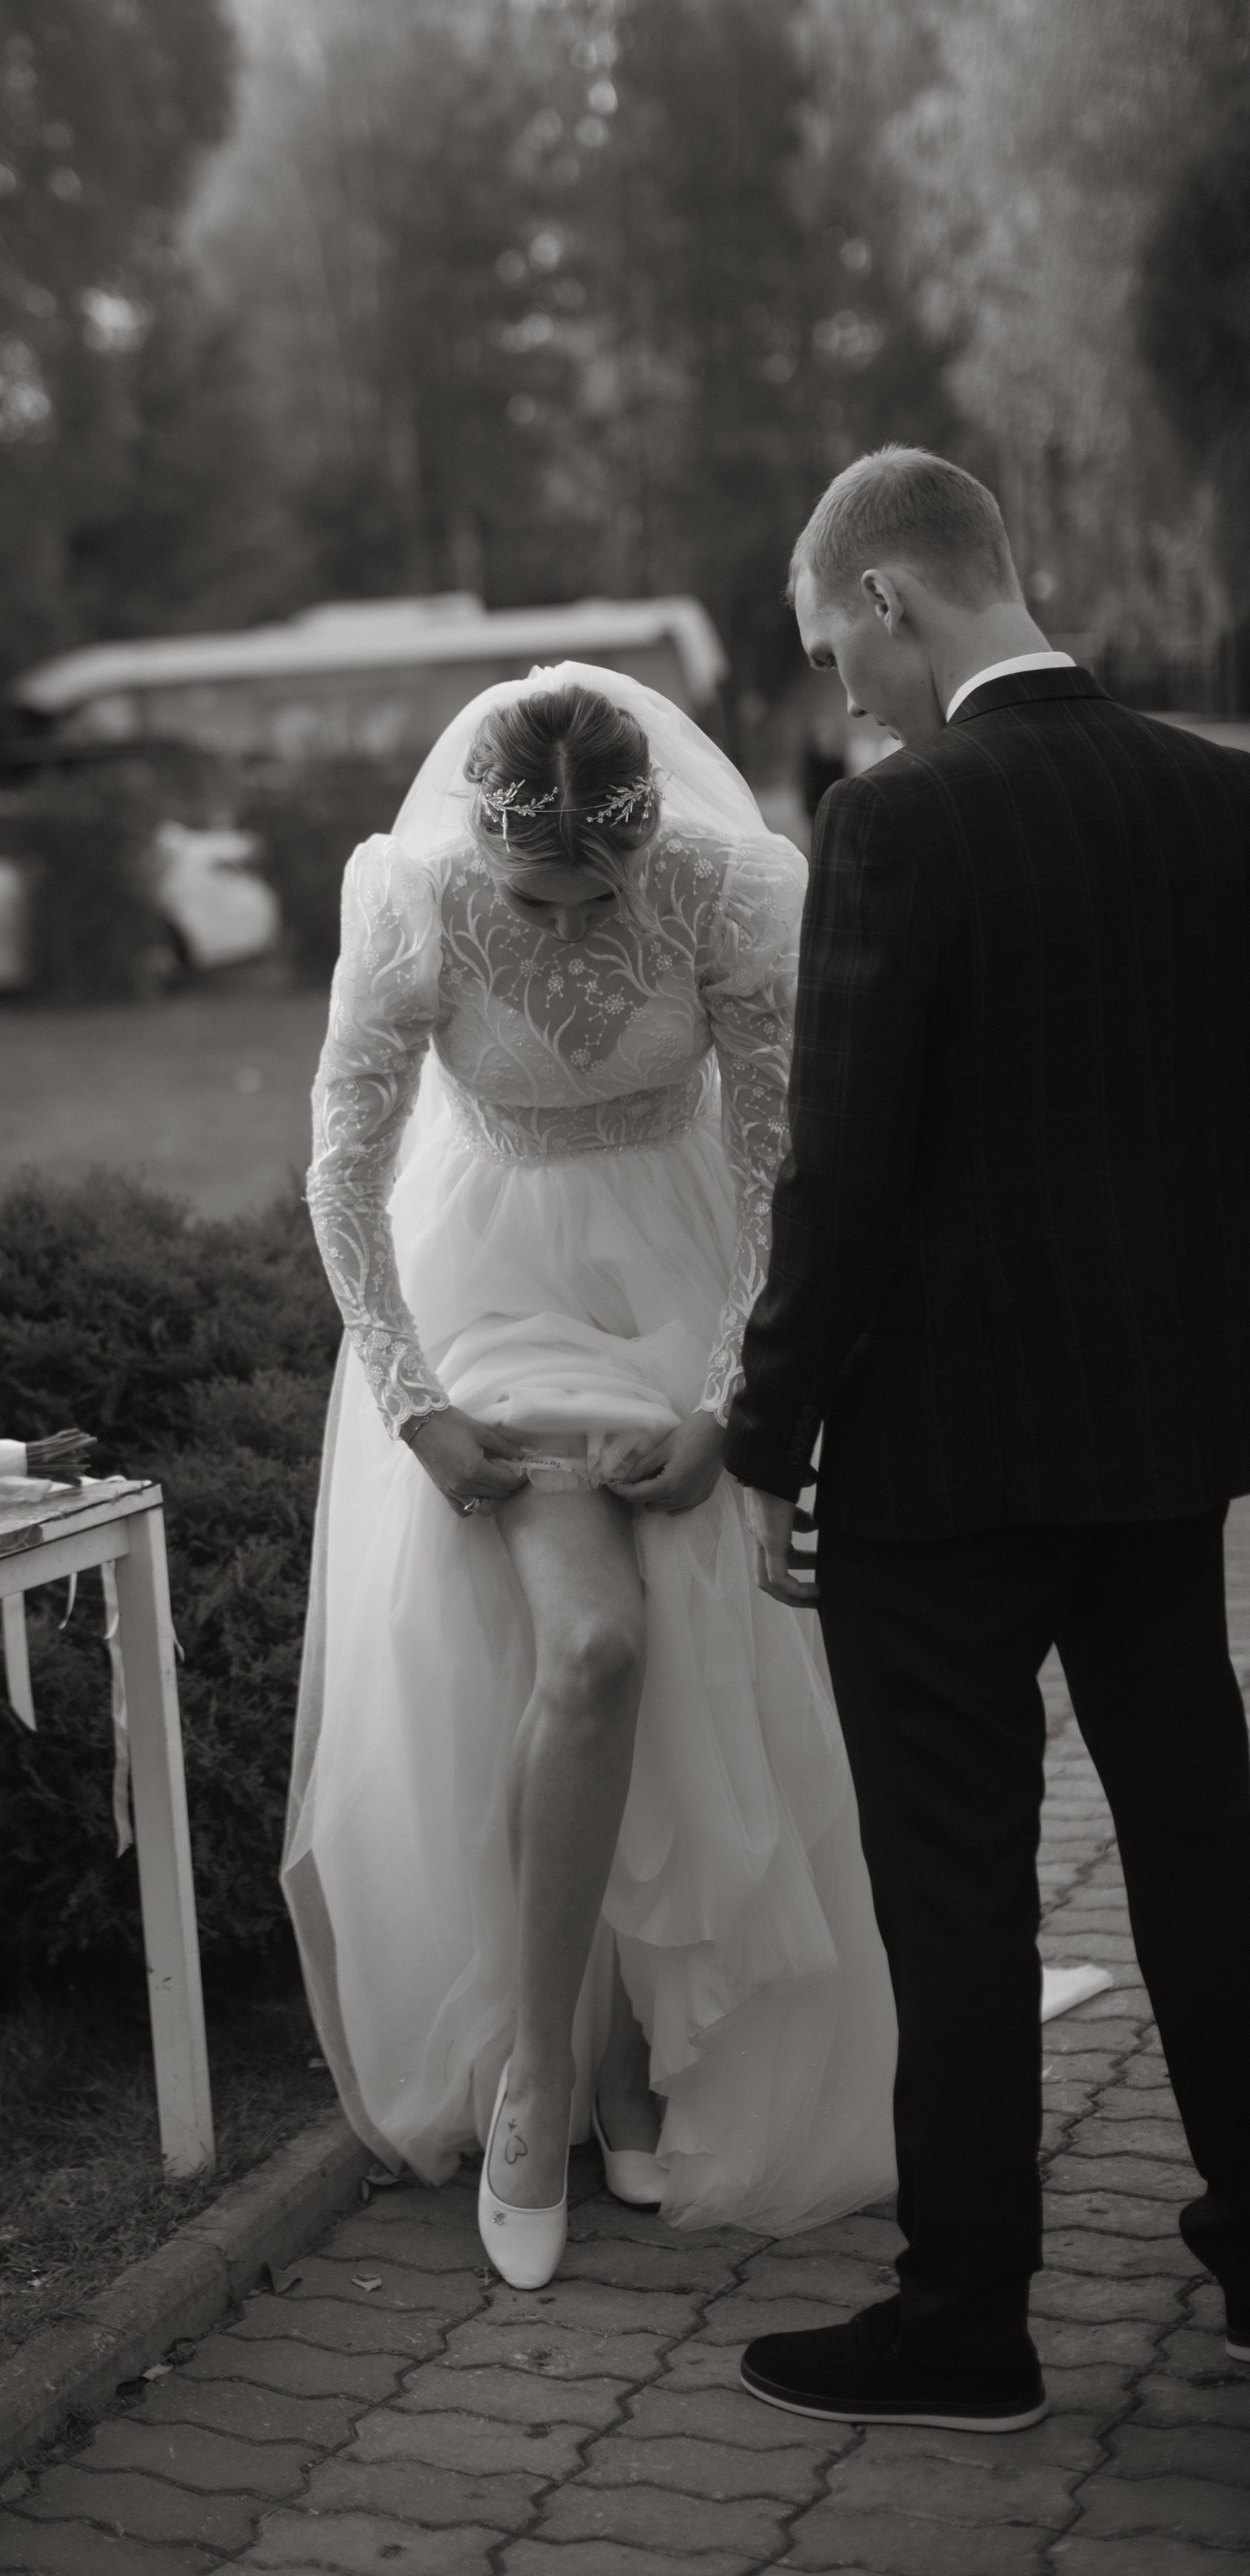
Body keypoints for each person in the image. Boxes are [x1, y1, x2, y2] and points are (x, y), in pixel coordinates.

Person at [728, 445, 1250, 2432]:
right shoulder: (1221, 799)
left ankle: (967, 2320)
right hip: (1162, 1446)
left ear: (890, 597)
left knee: (954, 1888)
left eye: (831, 650)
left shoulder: (902, 824)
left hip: (939, 1476)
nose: (840, 696)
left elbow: (842, 1184)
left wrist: (766, 1431)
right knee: (1203, 1841)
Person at [283, 658, 899, 2290]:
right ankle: (533, 2072)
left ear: (644, 845)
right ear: (482, 849)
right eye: (532, 891)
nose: (564, 918)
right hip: (491, 1305)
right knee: (600, 1642)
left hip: (692, 1290)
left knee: (698, 1644)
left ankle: (632, 2053)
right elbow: (342, 1177)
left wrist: (723, 1411)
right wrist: (413, 1406)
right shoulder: (411, 903)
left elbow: (780, 1173)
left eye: (594, 888)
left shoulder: (728, 889)